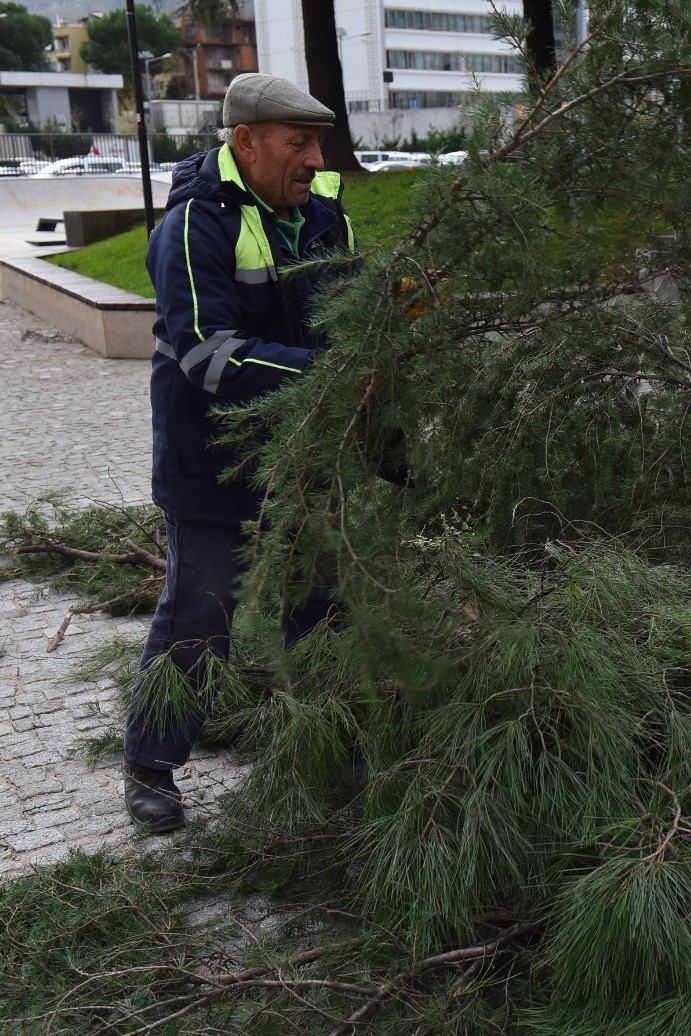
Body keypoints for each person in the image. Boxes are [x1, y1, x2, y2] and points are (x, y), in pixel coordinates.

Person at [123, 74, 354, 832]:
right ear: (245, 142)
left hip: (300, 456)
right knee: (200, 614)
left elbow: (350, 327)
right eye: (299, 143)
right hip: (212, 462)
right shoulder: (194, 227)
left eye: (317, 143)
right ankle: (150, 766)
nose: (316, 159)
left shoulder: (323, 221)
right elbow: (207, 354)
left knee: (321, 612)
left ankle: (327, 755)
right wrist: (330, 373)